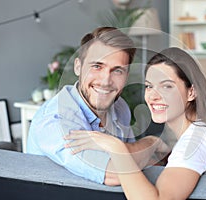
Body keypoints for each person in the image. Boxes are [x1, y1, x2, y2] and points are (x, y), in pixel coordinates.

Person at [64, 47, 206, 199]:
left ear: (191, 92)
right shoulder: (200, 132)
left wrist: (117, 148)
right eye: (149, 86)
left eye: (167, 86)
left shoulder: (195, 141)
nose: (153, 95)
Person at [27, 27, 164, 186]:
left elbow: (133, 154)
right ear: (78, 67)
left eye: (117, 70)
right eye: (97, 66)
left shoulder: (119, 106)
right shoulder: (56, 120)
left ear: (126, 76)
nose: (106, 81)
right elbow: (120, 172)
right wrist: (153, 143)